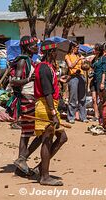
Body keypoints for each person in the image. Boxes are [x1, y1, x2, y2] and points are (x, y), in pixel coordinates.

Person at [6, 36, 42, 175]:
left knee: (26, 133)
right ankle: (22, 159)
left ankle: (21, 165)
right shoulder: (22, 61)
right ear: (27, 47)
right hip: (27, 100)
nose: (36, 48)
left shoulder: (29, 61)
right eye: (34, 46)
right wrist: (29, 79)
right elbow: (14, 82)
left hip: (30, 98)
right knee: (42, 132)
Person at [34, 40, 68, 186]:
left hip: (49, 106)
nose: (56, 54)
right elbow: (47, 92)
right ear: (50, 52)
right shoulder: (44, 68)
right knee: (47, 141)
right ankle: (44, 176)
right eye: (55, 51)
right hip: (46, 107)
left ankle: (41, 168)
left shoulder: (47, 67)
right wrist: (53, 113)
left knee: (62, 137)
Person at [65, 41, 88, 124]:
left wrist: (85, 61)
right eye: (77, 47)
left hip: (81, 76)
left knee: (82, 98)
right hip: (73, 77)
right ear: (72, 48)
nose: (78, 49)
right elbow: (70, 66)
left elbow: (84, 65)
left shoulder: (79, 55)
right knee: (73, 98)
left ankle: (83, 117)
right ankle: (71, 117)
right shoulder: (67, 56)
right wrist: (78, 59)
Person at [90, 43, 106, 122]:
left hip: (100, 80)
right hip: (94, 79)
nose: (94, 50)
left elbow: (104, 71)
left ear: (99, 51)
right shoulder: (94, 59)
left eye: (95, 49)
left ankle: (103, 115)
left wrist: (103, 82)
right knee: (94, 99)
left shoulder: (103, 58)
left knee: (101, 99)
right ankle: (96, 115)